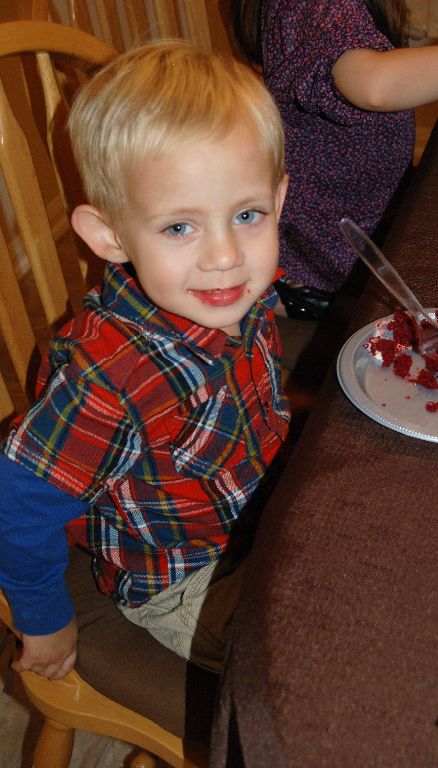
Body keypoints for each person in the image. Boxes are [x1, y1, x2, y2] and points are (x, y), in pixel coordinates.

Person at [0, 40, 290, 679]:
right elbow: (15, 505)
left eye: (247, 214)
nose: (225, 256)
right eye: (179, 227)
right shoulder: (113, 378)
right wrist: (43, 621)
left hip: (259, 512)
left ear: (279, 198)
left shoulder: (233, 292)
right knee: (317, 655)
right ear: (110, 236)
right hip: (185, 580)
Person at [229, 0, 438, 319]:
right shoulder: (324, 5)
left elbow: (373, 66)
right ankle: (302, 293)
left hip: (343, 210)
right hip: (330, 244)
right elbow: (376, 86)